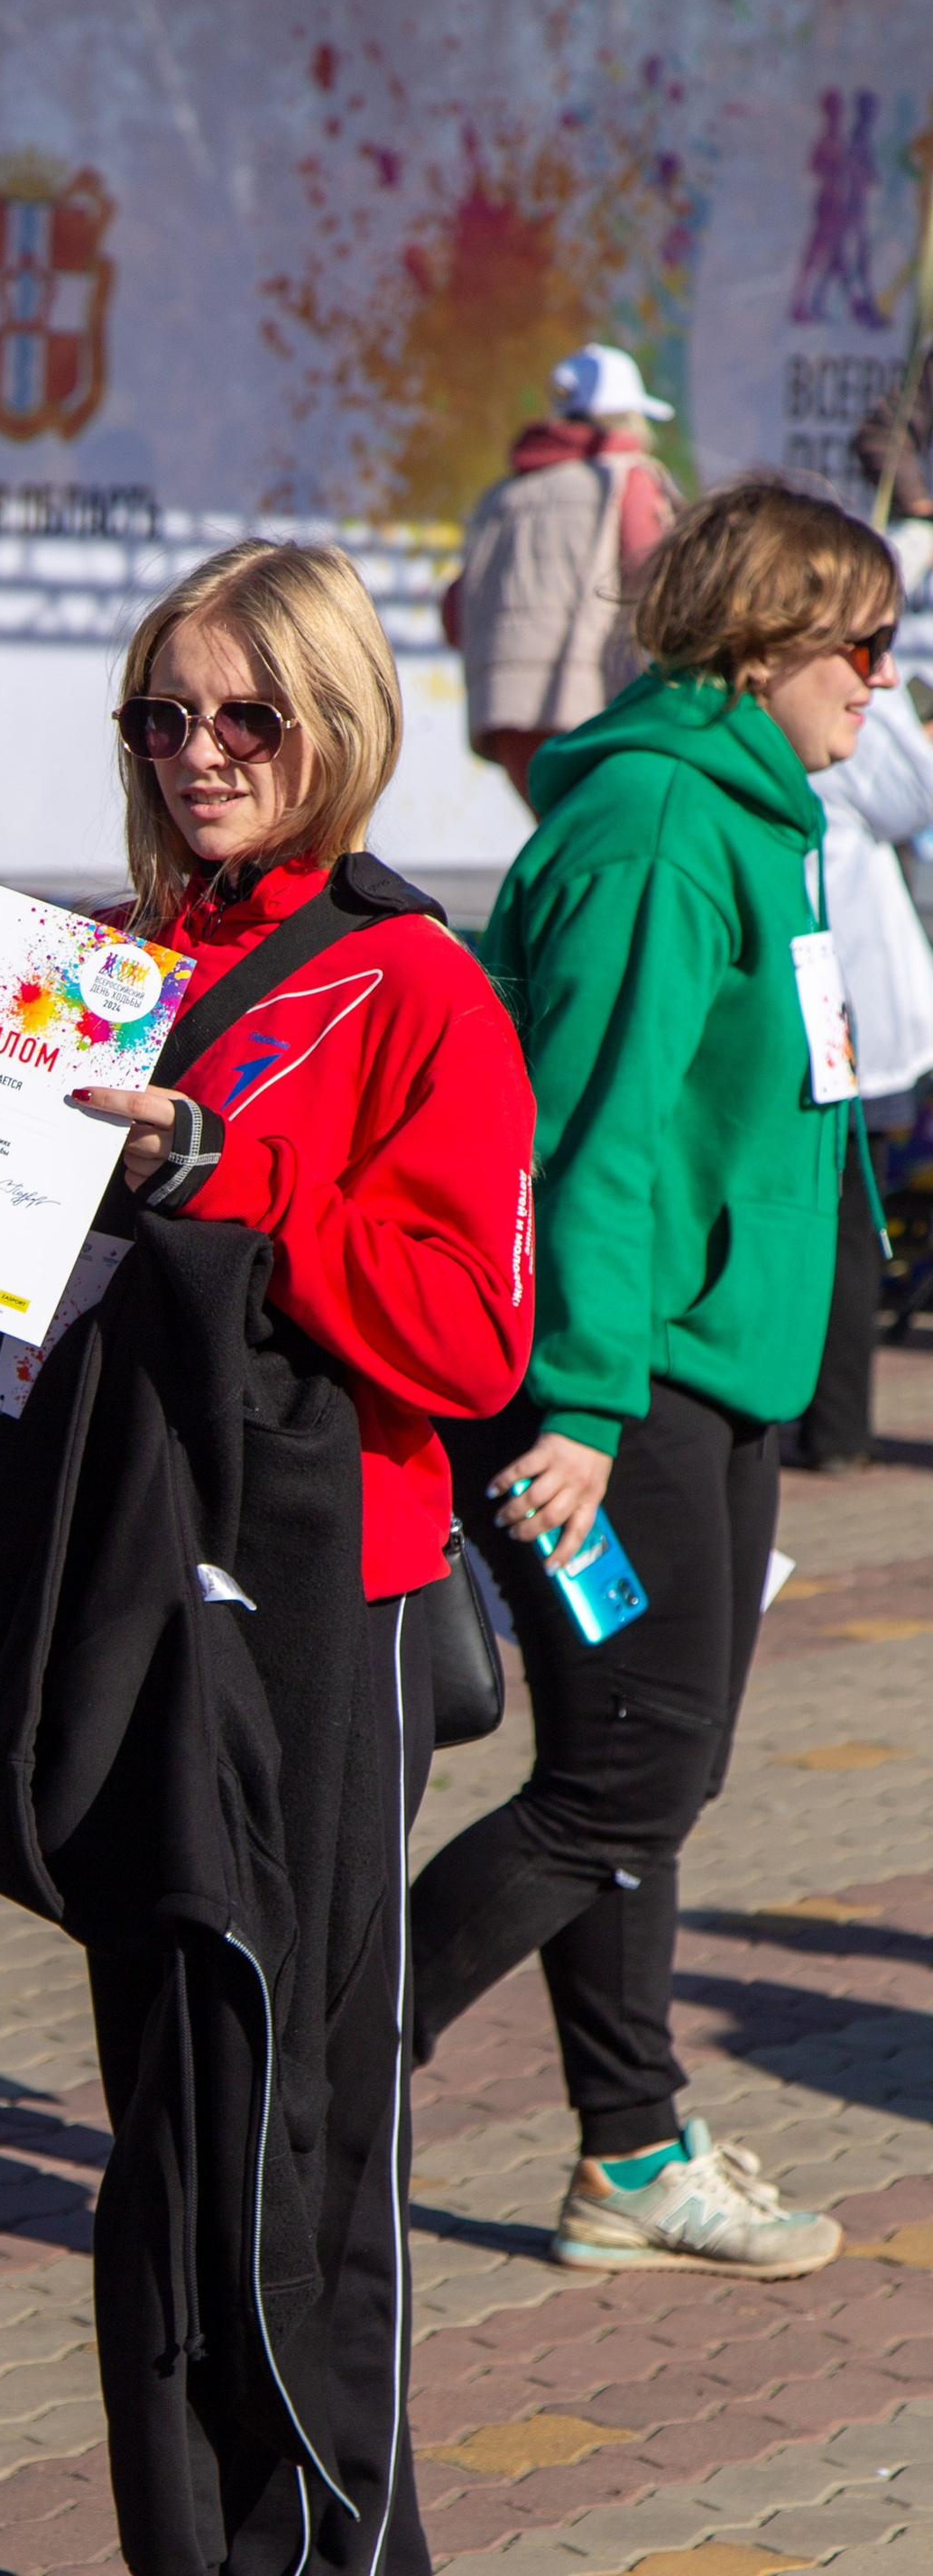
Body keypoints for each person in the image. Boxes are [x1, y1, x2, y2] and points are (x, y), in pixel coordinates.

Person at [0, 540, 535, 2576]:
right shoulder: (115, 966)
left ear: (331, 727)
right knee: (177, 2118)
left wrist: (223, 1174)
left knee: (271, 2121)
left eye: (244, 719)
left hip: (314, 1603)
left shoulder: (407, 983)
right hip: (121, 1579)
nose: (199, 756)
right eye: (158, 719)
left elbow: (471, 1332)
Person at [411, 475, 899, 2278]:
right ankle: (310, 2073)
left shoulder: (754, 819)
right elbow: (591, 1139)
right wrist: (587, 1407)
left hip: (710, 1372)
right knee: (623, 1777)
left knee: (639, 1770)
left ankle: (624, 2149)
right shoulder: (652, 828)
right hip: (616, 1396)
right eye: (859, 641)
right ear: (761, 641)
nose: (877, 678)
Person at [448, 341, 681, 815]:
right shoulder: (626, 478)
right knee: (604, 847)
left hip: (506, 715)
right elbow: (657, 585)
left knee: (559, 842)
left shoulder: (501, 498)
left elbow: (454, 614)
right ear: (630, 417)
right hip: (592, 706)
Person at [796, 669, 933, 1470]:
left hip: (850, 1017)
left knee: (847, 1222)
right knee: (843, 1224)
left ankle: (834, 1427)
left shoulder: (833, 720)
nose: (876, 674)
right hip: (843, 1011)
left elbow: (913, 792)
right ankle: (830, 1426)